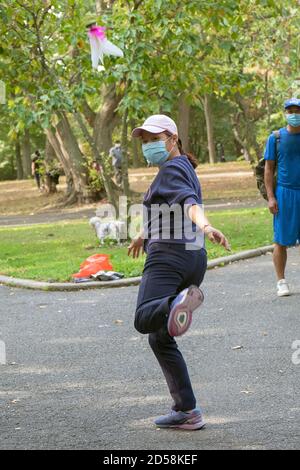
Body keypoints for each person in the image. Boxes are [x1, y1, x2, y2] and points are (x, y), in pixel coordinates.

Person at [128, 115, 230, 430]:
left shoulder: (171, 168)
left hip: (168, 256)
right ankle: (187, 411)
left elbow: (187, 203)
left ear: (173, 139)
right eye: (144, 140)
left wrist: (207, 225)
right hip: (193, 257)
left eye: (154, 138)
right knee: (161, 339)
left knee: (145, 317)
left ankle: (175, 304)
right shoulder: (183, 166)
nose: (148, 146)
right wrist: (145, 232)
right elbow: (173, 205)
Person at [264, 98, 300, 297]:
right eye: (291, 111)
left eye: (298, 110)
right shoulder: (276, 137)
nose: (294, 114)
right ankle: (281, 281)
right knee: (281, 240)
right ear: (285, 113)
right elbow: (269, 169)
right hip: (285, 193)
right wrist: (271, 197)